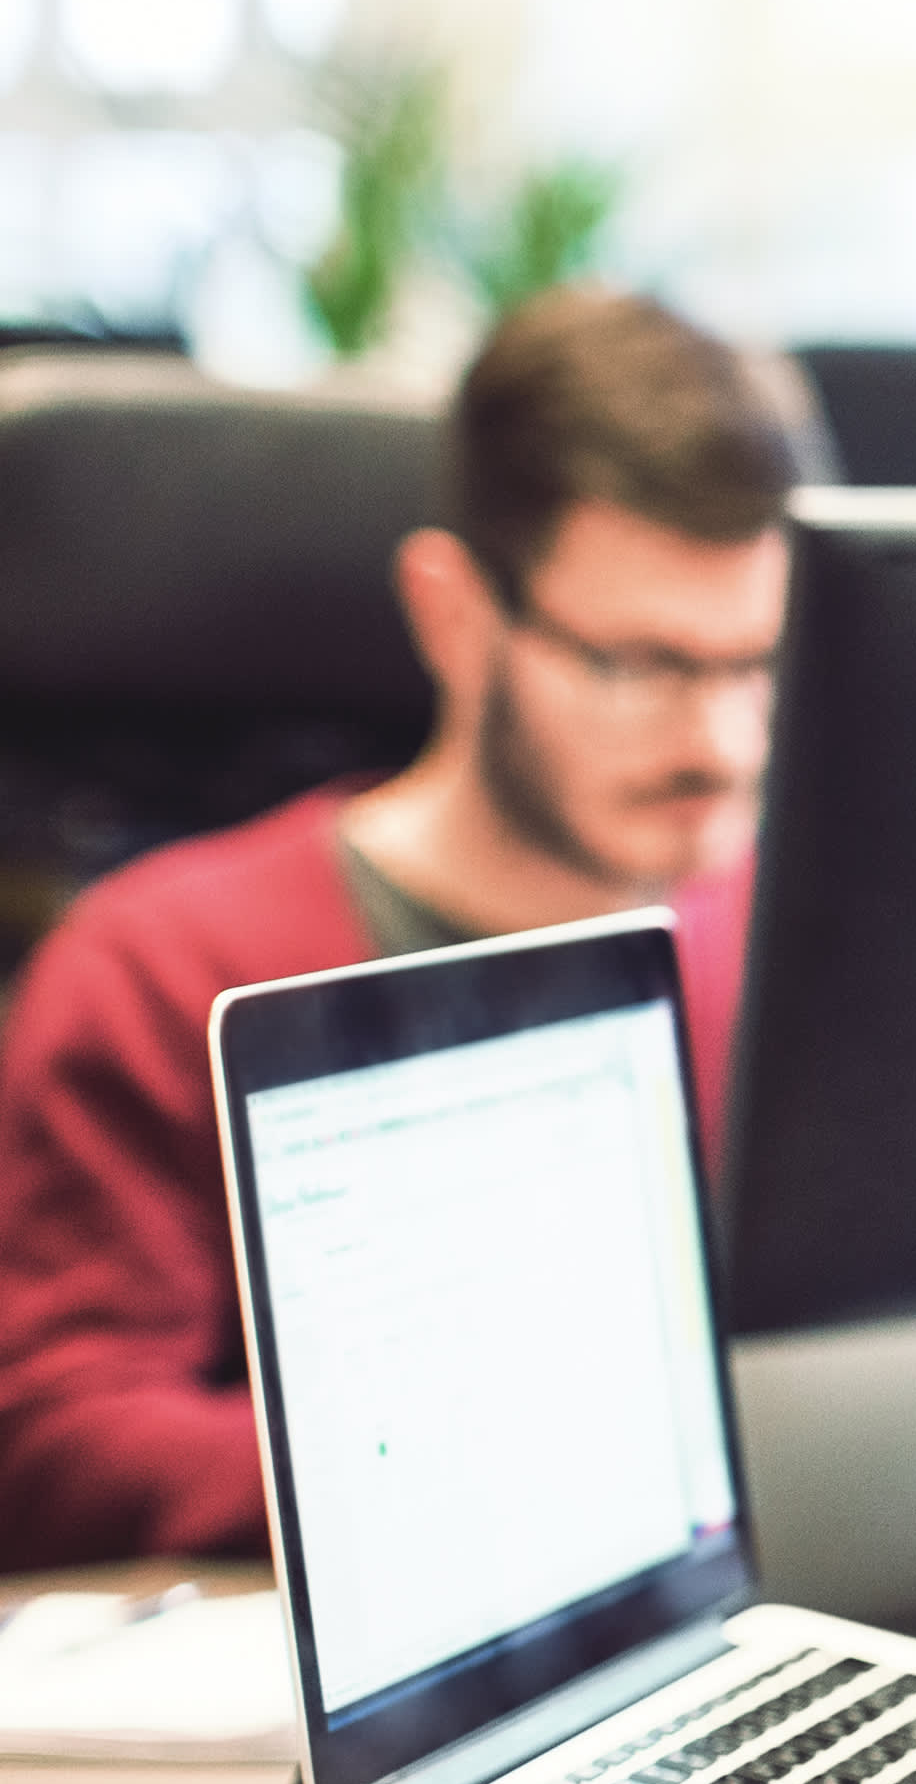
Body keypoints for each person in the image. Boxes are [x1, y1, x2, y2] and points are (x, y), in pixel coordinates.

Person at [0, 290, 802, 1566]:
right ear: (454, 616)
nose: (721, 744)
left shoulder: (795, 939)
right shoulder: (162, 968)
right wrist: (488, 1476)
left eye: (760, 663)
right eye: (641, 666)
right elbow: (53, 1445)